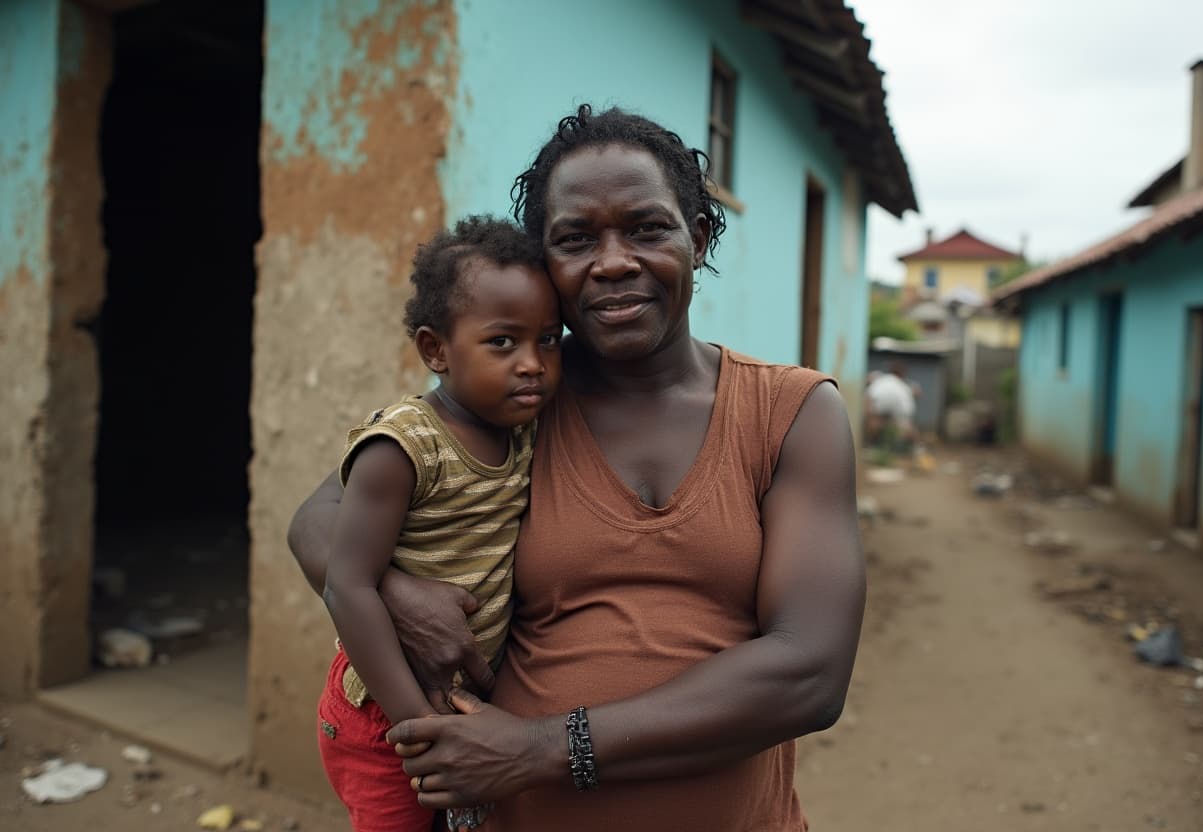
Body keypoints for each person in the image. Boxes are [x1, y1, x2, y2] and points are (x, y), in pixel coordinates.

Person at [289, 105, 865, 831]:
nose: (614, 260)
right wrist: (398, 591)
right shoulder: (510, 405)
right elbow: (317, 519)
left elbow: (809, 673)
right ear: (546, 264)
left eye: (648, 228)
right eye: (575, 239)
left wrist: (544, 750)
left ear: (700, 235)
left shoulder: (791, 413)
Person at [315, 216, 562, 832]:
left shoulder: (525, 430)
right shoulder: (402, 447)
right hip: (384, 714)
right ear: (435, 350)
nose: (532, 363)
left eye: (548, 341)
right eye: (503, 342)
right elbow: (347, 584)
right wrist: (421, 734)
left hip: (460, 710)